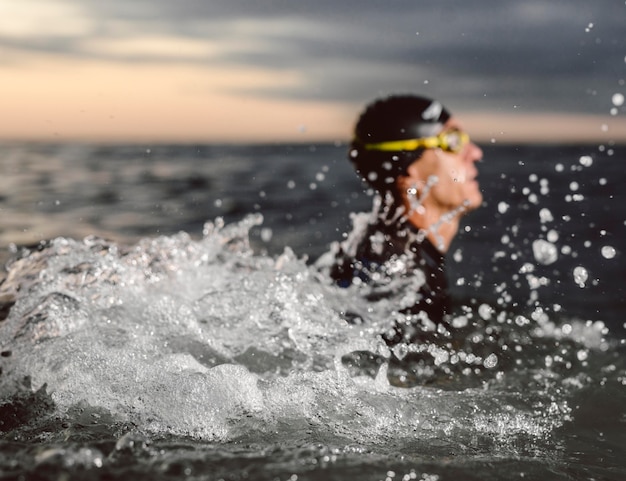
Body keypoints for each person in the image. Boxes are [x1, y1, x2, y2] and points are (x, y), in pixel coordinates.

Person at [319, 94, 483, 347]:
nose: (475, 153)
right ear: (409, 170)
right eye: (453, 141)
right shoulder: (400, 269)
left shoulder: (383, 247)